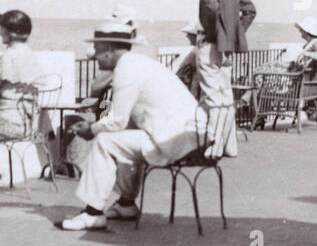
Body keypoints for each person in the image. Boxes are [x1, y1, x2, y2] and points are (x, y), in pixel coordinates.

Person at [59, 22, 212, 231]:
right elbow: (122, 122)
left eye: (98, 49)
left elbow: (116, 121)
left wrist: (91, 130)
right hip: (193, 137)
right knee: (124, 138)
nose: (94, 55)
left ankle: (93, 214)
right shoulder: (139, 63)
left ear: (110, 50)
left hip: (177, 143)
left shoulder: (126, 70)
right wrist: (96, 125)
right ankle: (126, 204)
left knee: (105, 141)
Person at [0, 10, 49, 152]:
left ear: (9, 33)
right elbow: (6, 84)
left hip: (6, 124)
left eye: (1, 30)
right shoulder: (30, 55)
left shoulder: (7, 57)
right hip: (27, 125)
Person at [192, 0, 257, 107]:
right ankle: (227, 132)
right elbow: (250, 10)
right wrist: (231, 34)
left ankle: (213, 133)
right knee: (225, 96)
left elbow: (211, 8)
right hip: (226, 48)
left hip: (210, 46)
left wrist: (212, 34)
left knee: (211, 98)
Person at [172, 21, 202, 92]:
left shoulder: (194, 52)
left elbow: (181, 74)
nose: (187, 36)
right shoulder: (199, 50)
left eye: (189, 34)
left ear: (195, 36)